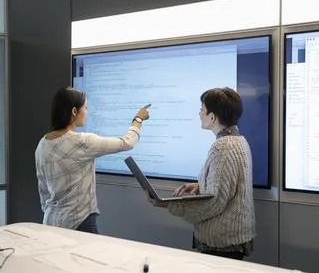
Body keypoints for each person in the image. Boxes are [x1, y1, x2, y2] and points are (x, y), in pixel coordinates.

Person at [149, 87, 255, 260]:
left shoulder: (222, 147)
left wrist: (169, 204)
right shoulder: (239, 141)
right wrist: (200, 185)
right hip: (232, 239)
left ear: (212, 117)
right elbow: (230, 185)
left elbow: (214, 202)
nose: (199, 114)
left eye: (202, 110)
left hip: (222, 243)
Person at [35, 87, 150, 234]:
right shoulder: (82, 142)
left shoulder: (42, 144)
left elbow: (43, 189)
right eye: (85, 107)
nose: (87, 112)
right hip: (79, 222)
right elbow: (127, 142)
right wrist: (138, 119)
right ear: (74, 111)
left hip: (50, 222)